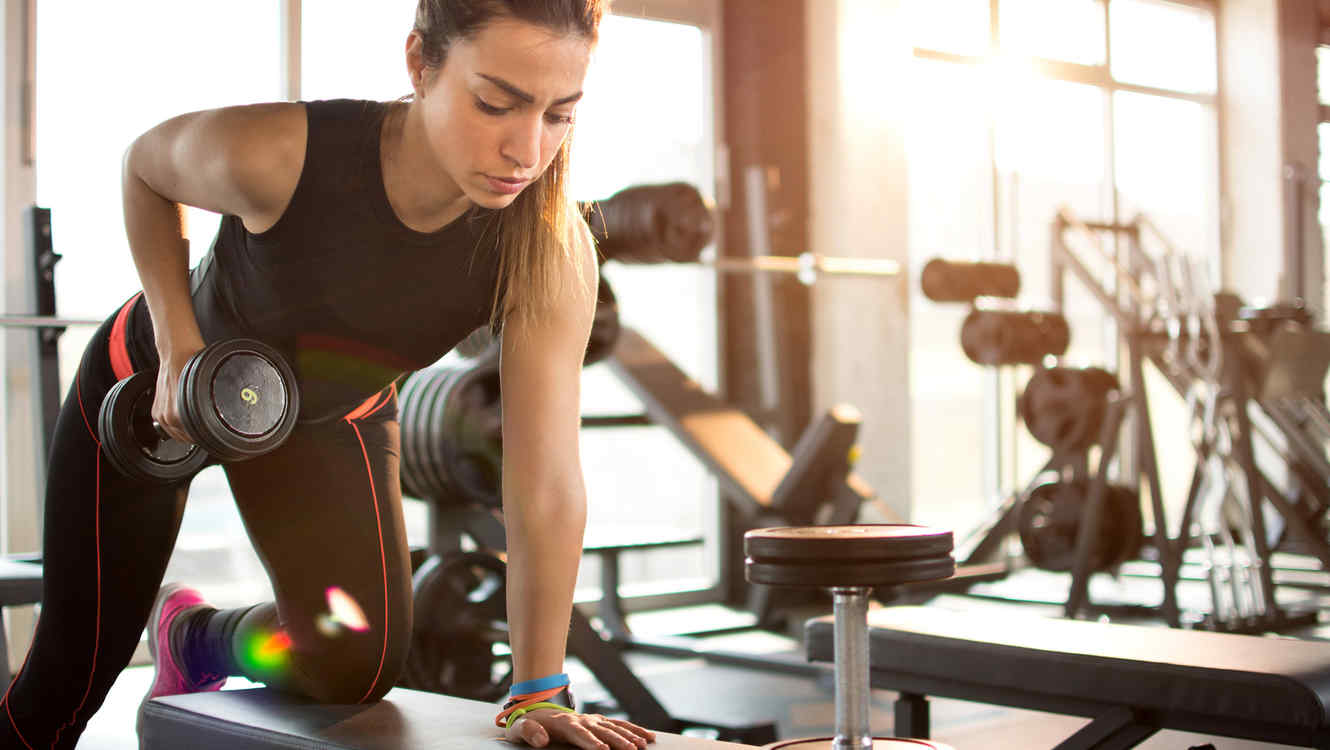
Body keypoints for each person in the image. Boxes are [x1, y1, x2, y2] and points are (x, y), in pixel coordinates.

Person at [0, 2, 657, 749]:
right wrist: (179, 347)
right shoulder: (284, 151)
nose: (525, 149)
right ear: (419, 62)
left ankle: (198, 639)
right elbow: (146, 167)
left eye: (558, 115)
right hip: (159, 386)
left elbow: (543, 477)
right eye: (495, 104)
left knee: (356, 661)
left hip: (323, 416)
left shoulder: (545, 245)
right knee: (69, 681)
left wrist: (537, 691)